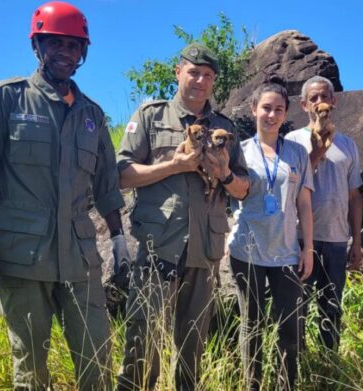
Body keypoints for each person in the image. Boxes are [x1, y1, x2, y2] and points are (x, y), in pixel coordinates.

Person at [0, 2, 129, 390]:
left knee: (97, 360)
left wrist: (119, 239)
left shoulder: (92, 114)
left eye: (73, 46)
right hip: (22, 259)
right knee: (31, 368)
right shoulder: (6, 98)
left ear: (82, 52)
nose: (65, 53)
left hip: (81, 261)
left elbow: (106, 185)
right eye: (55, 43)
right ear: (37, 46)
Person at [116, 43, 250, 390]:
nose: (200, 80)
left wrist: (223, 175)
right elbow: (122, 175)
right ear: (178, 73)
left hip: (204, 250)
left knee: (193, 344)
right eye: (193, 72)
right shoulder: (151, 116)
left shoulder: (224, 127)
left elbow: (244, 189)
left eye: (208, 75)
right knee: (143, 340)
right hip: (158, 245)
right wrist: (172, 166)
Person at [227, 75, 314, 391]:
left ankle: (284, 385)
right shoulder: (241, 151)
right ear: (253, 109)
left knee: (290, 327)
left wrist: (308, 249)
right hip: (246, 251)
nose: (272, 115)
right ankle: (251, 384)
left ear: (286, 113)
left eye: (279, 109)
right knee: (251, 325)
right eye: (266, 108)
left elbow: (304, 202)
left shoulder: (297, 153)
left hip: (287, 252)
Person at [285, 75, 363, 352]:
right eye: (314, 98)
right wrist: (316, 153)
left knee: (331, 306)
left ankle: (329, 364)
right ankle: (298, 364)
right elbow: (287, 186)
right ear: (304, 104)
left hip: (337, 239)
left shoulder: (348, 145)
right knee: (298, 307)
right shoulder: (292, 141)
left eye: (325, 96)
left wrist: (357, 241)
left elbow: (355, 196)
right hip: (299, 239)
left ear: (334, 101)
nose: (320, 102)